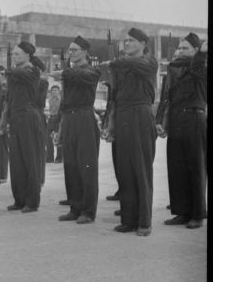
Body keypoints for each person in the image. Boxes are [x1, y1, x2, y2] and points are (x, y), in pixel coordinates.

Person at [103, 28, 158, 236]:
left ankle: (144, 222)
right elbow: (115, 98)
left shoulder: (149, 62)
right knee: (124, 170)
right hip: (123, 115)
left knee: (141, 170)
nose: (127, 44)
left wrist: (116, 62)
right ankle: (129, 219)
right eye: (125, 41)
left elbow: (136, 64)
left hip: (140, 115)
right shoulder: (121, 66)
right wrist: (111, 123)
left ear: (144, 44)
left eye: (132, 41)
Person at [157, 33, 207, 229]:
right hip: (176, 119)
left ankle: (198, 214)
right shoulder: (173, 68)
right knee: (176, 167)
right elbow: (165, 96)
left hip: (194, 118)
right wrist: (160, 120)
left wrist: (203, 54)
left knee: (196, 168)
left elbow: (198, 68)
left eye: (185, 48)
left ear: (196, 50)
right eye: (179, 48)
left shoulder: (202, 66)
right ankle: (182, 212)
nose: (179, 51)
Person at [0, 42, 48, 213]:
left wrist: (7, 71)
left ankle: (32, 202)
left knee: (30, 159)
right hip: (16, 117)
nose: (15, 56)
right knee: (17, 161)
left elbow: (17, 74)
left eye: (18, 54)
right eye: (13, 54)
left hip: (28, 116)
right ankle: (19, 199)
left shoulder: (32, 71)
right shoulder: (15, 74)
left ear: (28, 55)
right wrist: (4, 121)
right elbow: (8, 101)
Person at [55, 36, 101, 224]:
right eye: (70, 50)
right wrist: (60, 129)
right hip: (70, 119)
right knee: (71, 166)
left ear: (85, 52)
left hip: (85, 118)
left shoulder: (92, 70)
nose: (71, 53)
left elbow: (86, 77)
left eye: (74, 50)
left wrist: (65, 73)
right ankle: (75, 208)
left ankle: (88, 211)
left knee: (86, 167)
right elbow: (65, 103)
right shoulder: (69, 73)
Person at [46, 86, 63, 163]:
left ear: (59, 91)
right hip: (51, 118)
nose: (54, 92)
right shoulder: (49, 99)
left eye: (56, 90)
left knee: (58, 137)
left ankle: (59, 157)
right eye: (52, 90)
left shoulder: (61, 100)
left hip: (58, 119)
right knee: (48, 138)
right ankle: (50, 157)